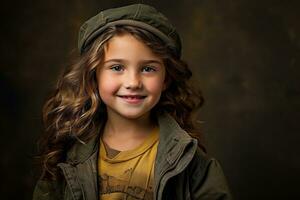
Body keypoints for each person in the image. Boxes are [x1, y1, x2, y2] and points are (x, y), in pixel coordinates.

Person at [33, 3, 232, 200]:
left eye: (148, 69)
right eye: (117, 67)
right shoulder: (66, 157)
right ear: (94, 76)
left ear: (166, 79)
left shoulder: (191, 162)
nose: (133, 83)